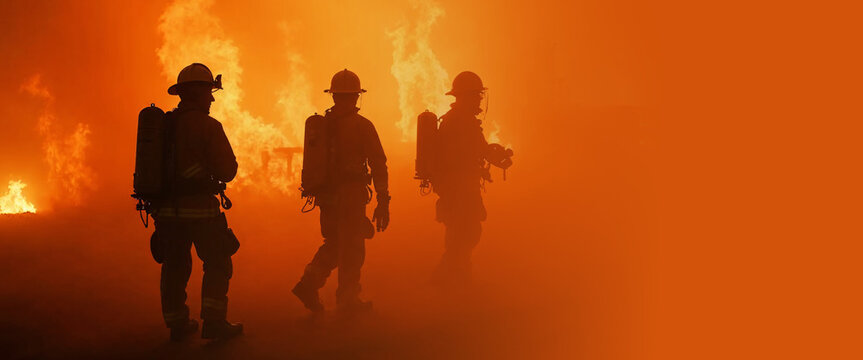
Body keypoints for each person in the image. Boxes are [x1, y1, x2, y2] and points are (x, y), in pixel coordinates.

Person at [153, 63, 243, 341]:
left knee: (174, 267)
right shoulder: (208, 126)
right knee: (218, 262)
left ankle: (177, 325)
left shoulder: (163, 127)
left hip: (166, 213)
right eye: (209, 92)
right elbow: (228, 170)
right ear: (199, 93)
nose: (212, 99)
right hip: (201, 212)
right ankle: (214, 322)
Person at [293, 69, 390, 315]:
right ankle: (348, 301)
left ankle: (308, 283)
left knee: (334, 243)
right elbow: (378, 164)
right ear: (357, 96)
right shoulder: (362, 126)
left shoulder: (322, 125)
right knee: (353, 247)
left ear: (334, 96)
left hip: (326, 197)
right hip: (351, 196)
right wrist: (383, 200)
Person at [431, 71, 500, 286]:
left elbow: (479, 149)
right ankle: (446, 280)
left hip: (462, 188)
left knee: (465, 233)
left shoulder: (462, 121)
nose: (479, 100)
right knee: (463, 234)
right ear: (465, 96)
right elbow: (465, 153)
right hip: (458, 189)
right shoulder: (458, 122)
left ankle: (458, 279)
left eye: (479, 95)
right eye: (476, 95)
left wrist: (497, 156)